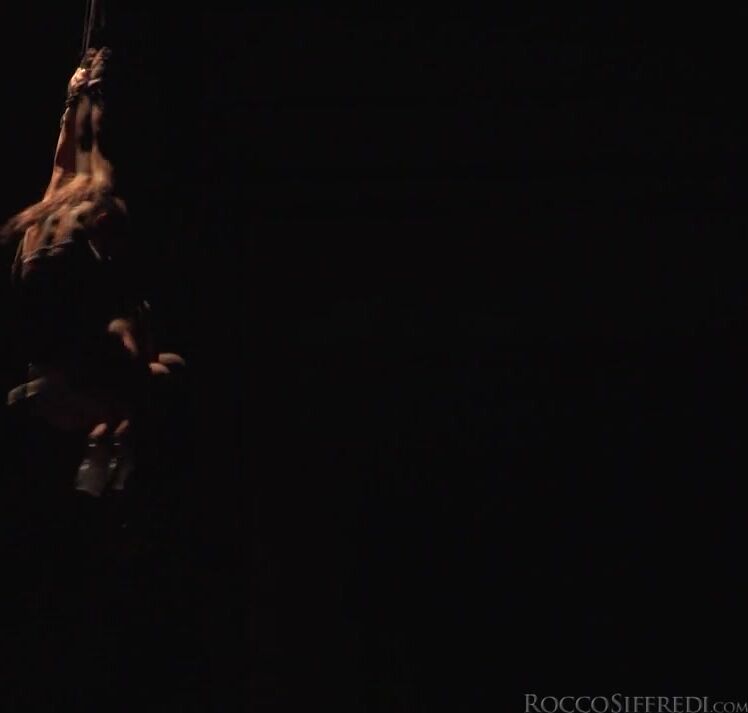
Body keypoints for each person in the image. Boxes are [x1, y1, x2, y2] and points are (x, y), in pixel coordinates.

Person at [2, 47, 184, 498]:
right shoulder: (76, 224)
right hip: (62, 379)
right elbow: (76, 153)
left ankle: (108, 447)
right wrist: (85, 93)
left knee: (147, 354)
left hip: (57, 375)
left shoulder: (55, 212)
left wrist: (81, 93)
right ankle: (112, 447)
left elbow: (69, 156)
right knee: (163, 367)